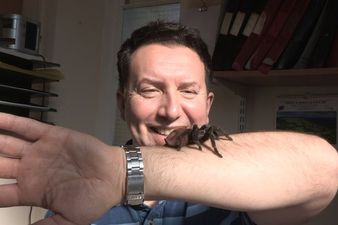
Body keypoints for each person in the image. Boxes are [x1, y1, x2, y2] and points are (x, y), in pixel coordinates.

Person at [0, 21, 337, 225]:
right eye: (149, 90)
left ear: (207, 106)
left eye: (188, 91)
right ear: (122, 103)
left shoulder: (242, 188)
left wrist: (122, 174)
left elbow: (323, 169)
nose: (171, 110)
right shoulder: (76, 193)